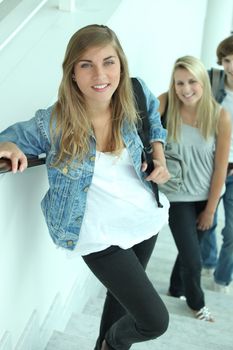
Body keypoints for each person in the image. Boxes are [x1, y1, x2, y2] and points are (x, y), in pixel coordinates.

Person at [0, 24, 171, 350]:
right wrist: (6, 146)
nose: (100, 74)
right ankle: (112, 342)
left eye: (108, 61)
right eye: (86, 64)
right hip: (97, 234)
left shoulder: (134, 94)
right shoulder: (54, 122)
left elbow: (154, 117)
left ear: (120, 63)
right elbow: (6, 139)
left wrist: (159, 157)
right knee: (153, 320)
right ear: (72, 73)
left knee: (120, 302)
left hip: (143, 219)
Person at [158, 55, 231, 322]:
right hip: (177, 197)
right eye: (179, 83)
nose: (186, 89)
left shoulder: (221, 117)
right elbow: (142, 123)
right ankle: (197, 305)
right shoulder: (166, 105)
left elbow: (220, 168)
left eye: (192, 81)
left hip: (206, 197)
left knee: (190, 251)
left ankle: (176, 288)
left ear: (203, 82)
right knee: (193, 259)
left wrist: (211, 210)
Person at [200, 35, 233, 294]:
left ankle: (222, 280)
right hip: (210, 166)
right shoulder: (212, 83)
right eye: (227, 60)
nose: (231, 66)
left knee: (232, 231)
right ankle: (208, 262)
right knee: (205, 219)